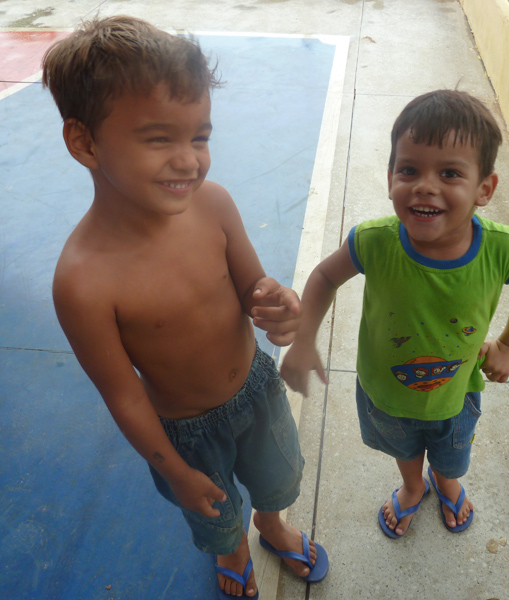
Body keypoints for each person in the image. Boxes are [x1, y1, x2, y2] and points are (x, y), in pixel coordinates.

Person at [42, 16, 328, 598]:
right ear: (85, 143)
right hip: (184, 433)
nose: (189, 161)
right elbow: (124, 394)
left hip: (257, 390)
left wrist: (282, 308)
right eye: (159, 139)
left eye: (199, 137)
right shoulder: (83, 281)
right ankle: (233, 548)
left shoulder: (214, 205)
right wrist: (173, 469)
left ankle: (272, 525)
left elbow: (256, 291)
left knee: (279, 477)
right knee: (212, 511)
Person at [281, 90, 509, 539]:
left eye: (450, 173)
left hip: (456, 391)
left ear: (484, 189)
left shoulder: (503, 249)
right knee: (403, 449)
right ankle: (412, 485)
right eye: (409, 170)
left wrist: (508, 345)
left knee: (453, 454)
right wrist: (305, 338)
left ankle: (446, 481)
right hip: (385, 390)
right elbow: (325, 276)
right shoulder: (374, 241)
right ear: (390, 179)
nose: (425, 185)